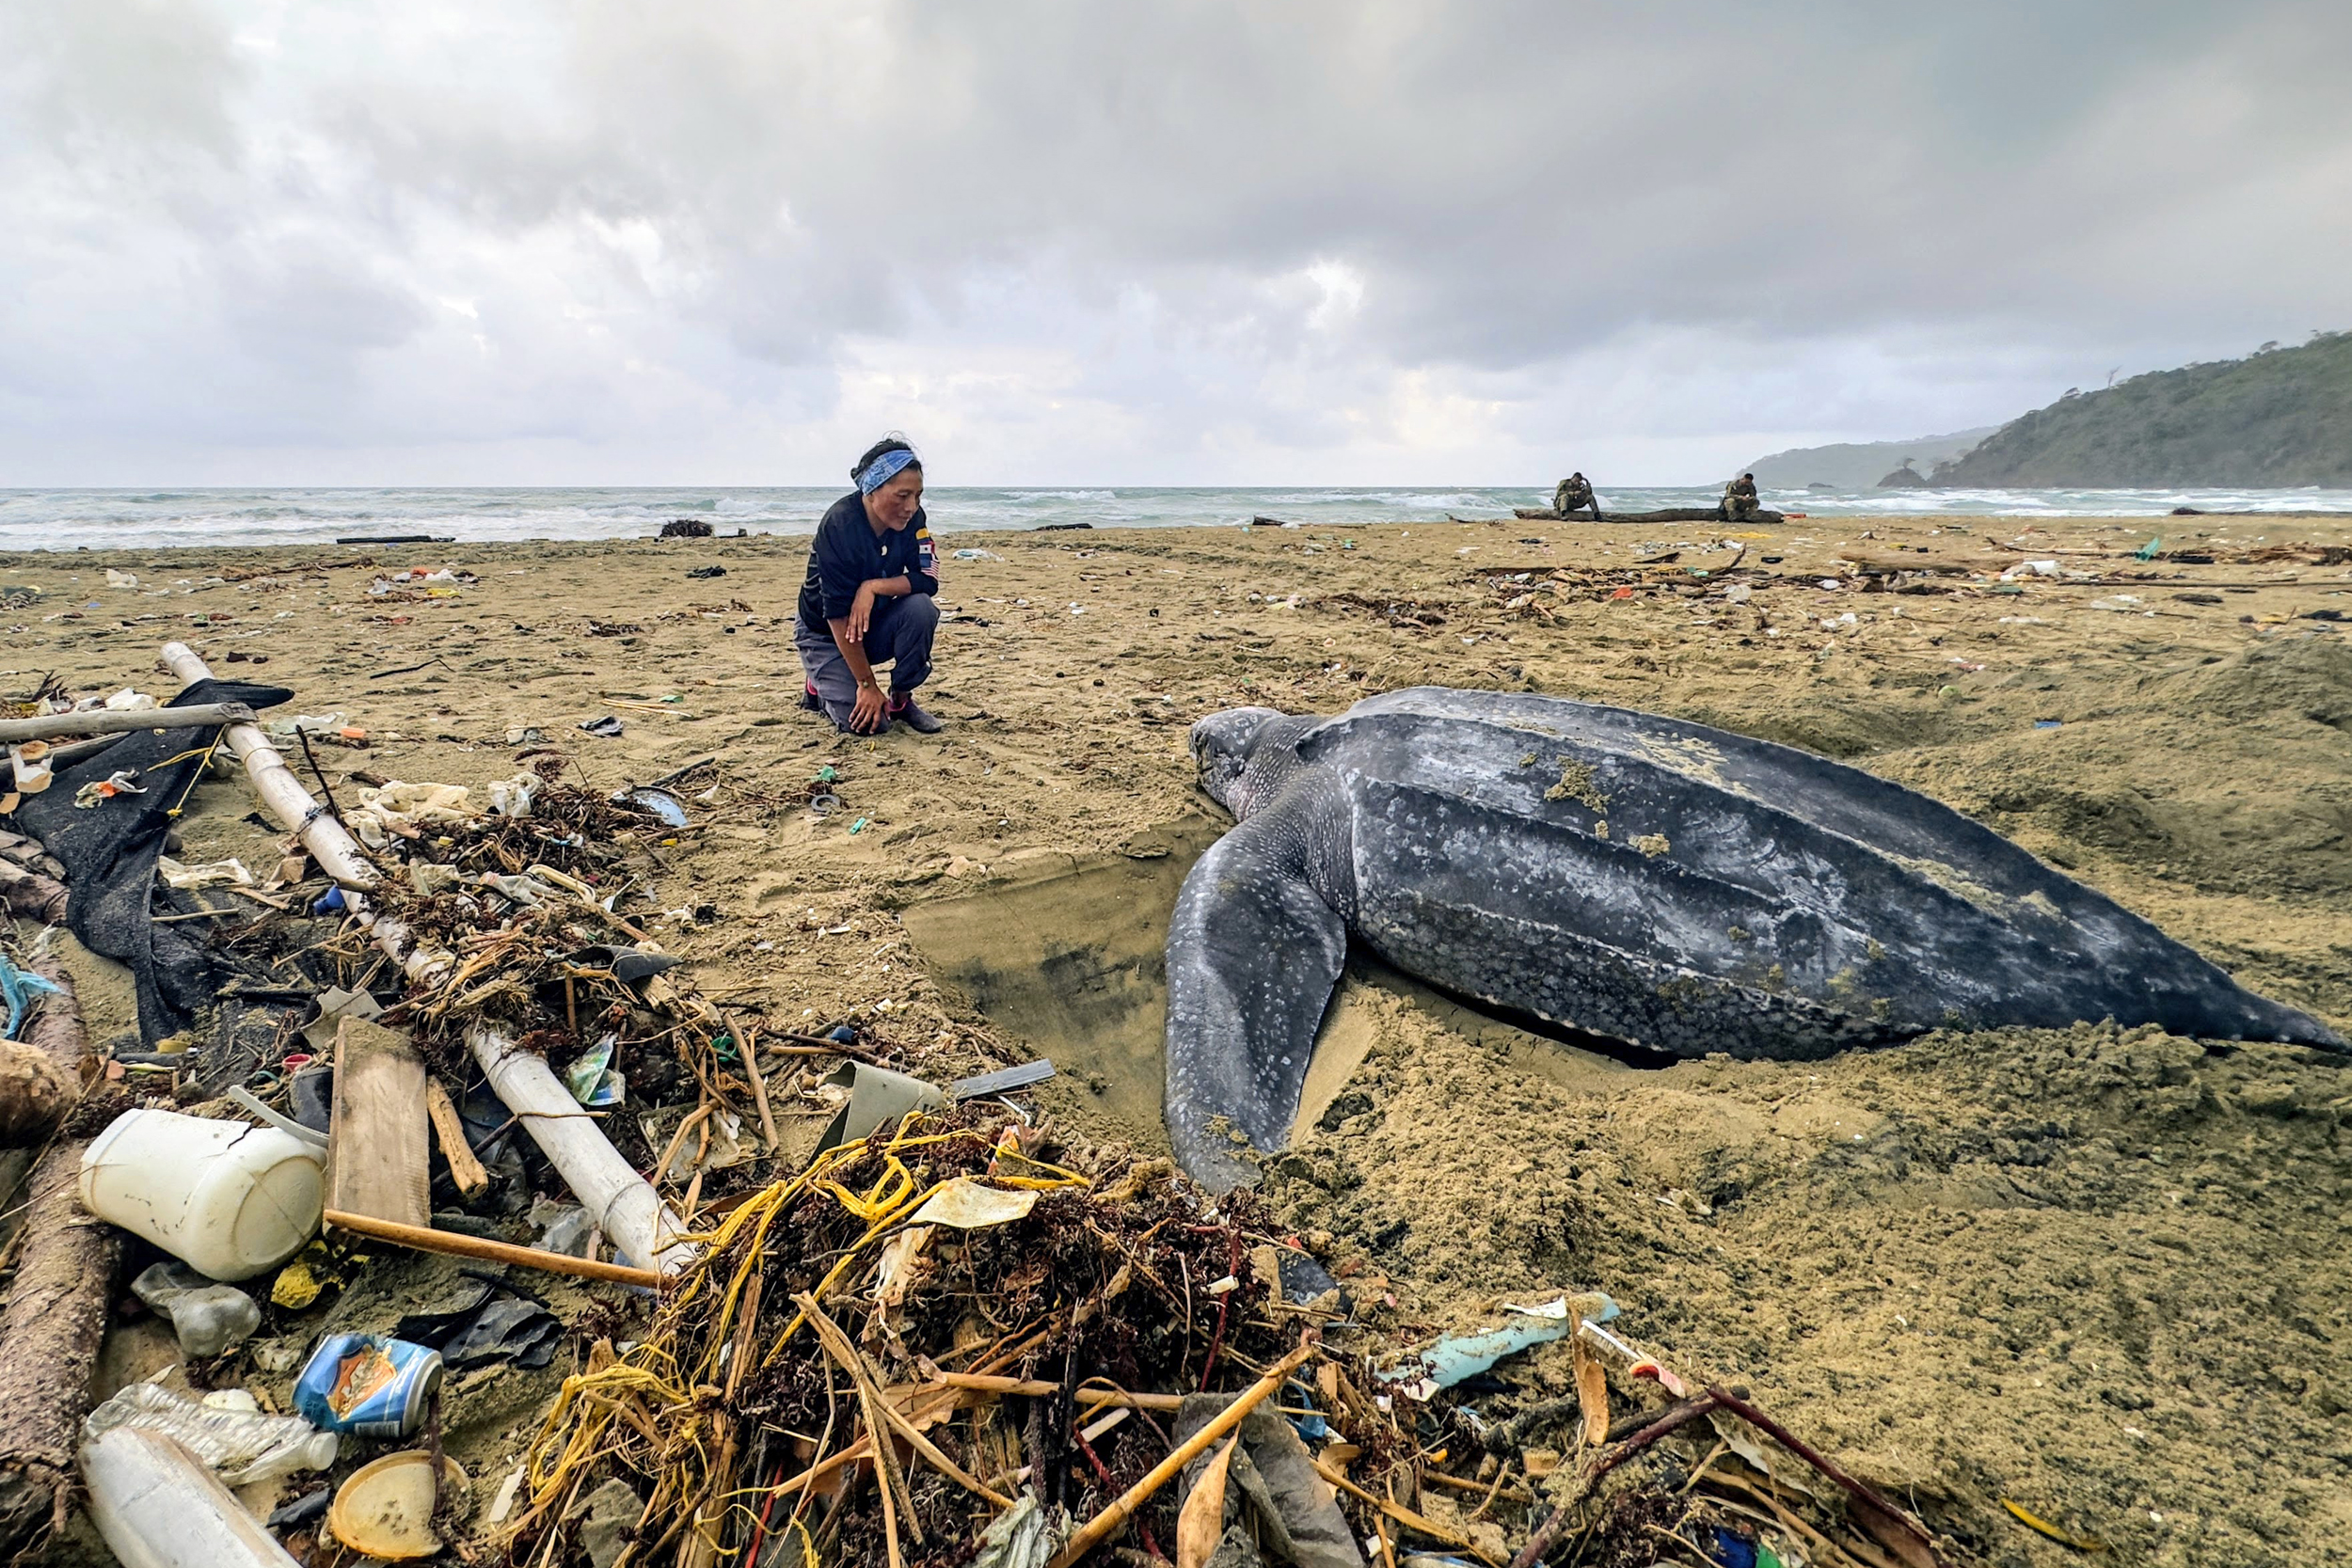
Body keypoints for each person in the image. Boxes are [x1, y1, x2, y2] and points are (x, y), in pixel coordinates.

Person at [796, 436, 944, 735]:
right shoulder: (839, 525)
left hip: (872, 622)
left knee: (921, 609)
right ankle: (819, 684)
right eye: (902, 496)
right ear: (872, 489)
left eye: (917, 495)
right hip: (826, 632)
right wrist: (866, 684)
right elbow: (836, 613)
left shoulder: (915, 520)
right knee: (869, 725)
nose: (911, 506)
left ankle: (901, 699)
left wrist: (872, 587)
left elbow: (927, 580)